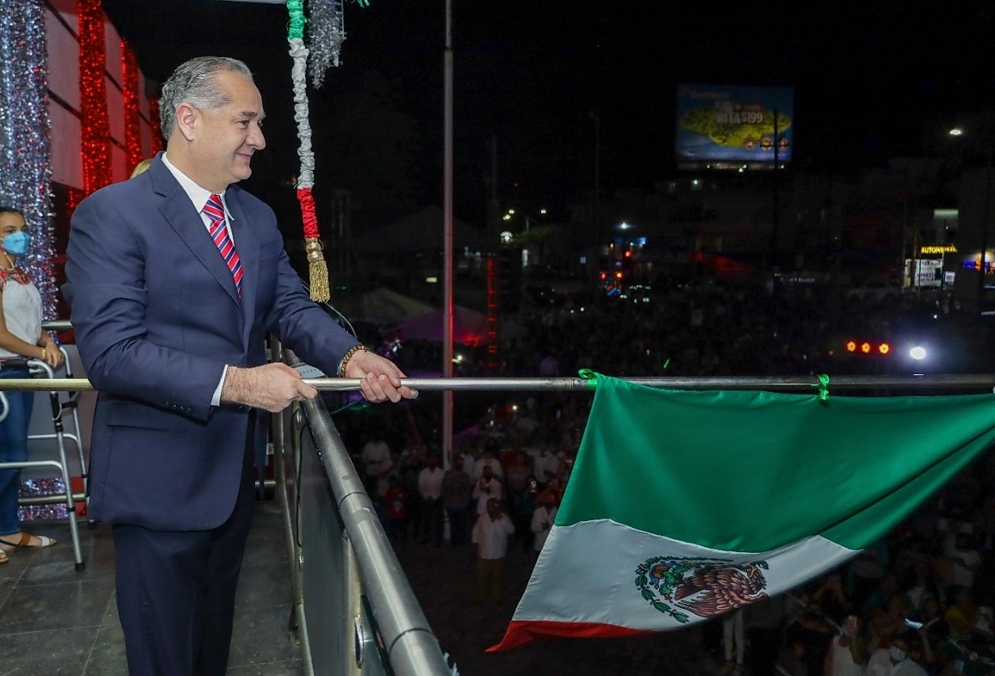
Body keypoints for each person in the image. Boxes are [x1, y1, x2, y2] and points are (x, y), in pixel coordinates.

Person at [62, 56, 416, 676]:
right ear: (190, 120)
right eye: (245, 121)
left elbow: (287, 305)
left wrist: (349, 354)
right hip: (156, 483)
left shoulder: (253, 216)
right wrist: (241, 383)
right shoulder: (113, 214)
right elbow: (111, 354)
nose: (258, 139)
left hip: (231, 478)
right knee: (164, 658)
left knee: (209, 652)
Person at [0, 206, 64, 561]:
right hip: (4, 372)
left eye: (21, 228)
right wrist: (37, 352)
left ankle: (9, 529)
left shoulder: (18, 273)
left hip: (19, 371)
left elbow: (27, 324)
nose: (19, 235)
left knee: (12, 457)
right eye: (10, 229)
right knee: (9, 456)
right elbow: (2, 335)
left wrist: (47, 341)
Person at [471, 497, 515, 607]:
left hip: (498, 554)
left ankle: (497, 599)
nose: (489, 508)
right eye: (488, 505)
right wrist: (475, 542)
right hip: (484, 554)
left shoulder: (504, 519)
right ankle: (480, 598)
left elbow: (511, 530)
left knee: (497, 578)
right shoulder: (482, 518)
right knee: (482, 577)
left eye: (492, 505)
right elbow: (476, 529)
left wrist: (501, 520)